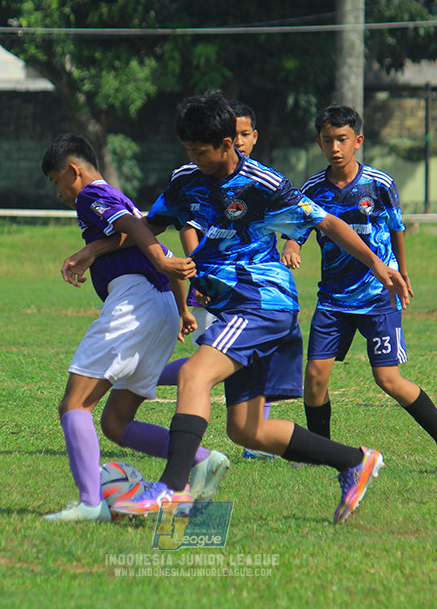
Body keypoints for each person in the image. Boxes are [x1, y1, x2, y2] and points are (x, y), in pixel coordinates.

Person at [105, 90, 410, 524]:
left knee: (194, 374)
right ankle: (354, 461)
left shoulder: (264, 184)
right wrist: (92, 250)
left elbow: (327, 222)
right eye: (188, 150)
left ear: (227, 144)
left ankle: (172, 489)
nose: (193, 159)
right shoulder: (187, 179)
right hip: (235, 307)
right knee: (248, 430)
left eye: (200, 151)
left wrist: (378, 264)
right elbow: (148, 225)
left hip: (261, 302)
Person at [41, 133, 230, 523]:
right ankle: (201, 459)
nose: (58, 193)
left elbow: (136, 231)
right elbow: (143, 234)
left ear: (73, 171)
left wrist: (158, 260)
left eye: (57, 182)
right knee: (116, 422)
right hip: (161, 306)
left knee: (75, 404)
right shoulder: (118, 198)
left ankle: (90, 504)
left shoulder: (92, 194)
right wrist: (181, 308)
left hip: (134, 303)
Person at [281, 105, 437, 472]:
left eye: (342, 139)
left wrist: (402, 273)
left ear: (358, 141)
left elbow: (396, 229)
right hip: (333, 298)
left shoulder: (379, 183)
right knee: (315, 378)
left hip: (377, 295)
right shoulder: (313, 189)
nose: (335, 147)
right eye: (328, 140)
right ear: (319, 143)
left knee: (388, 379)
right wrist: (291, 246)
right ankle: (321, 451)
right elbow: (297, 229)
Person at [156, 99, 275, 460]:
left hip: (254, 292)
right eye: (233, 134)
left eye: (244, 134)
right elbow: (185, 226)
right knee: (212, 362)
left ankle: (253, 437)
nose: (239, 141)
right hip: (212, 286)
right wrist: (200, 274)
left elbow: (299, 223)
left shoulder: (261, 182)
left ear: (254, 137)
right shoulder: (196, 181)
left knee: (243, 359)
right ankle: (147, 374)